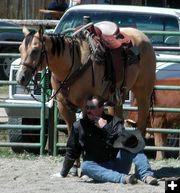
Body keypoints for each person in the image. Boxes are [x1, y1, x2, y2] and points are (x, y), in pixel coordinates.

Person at [59, 95, 158, 185]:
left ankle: (146, 175)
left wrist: (106, 127)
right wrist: (63, 173)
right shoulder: (79, 126)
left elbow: (127, 140)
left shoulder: (114, 122)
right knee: (85, 166)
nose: (88, 110)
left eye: (92, 108)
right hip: (97, 167)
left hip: (118, 164)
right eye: (87, 107)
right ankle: (123, 179)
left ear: (101, 108)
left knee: (133, 144)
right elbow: (72, 151)